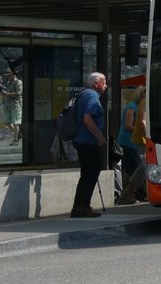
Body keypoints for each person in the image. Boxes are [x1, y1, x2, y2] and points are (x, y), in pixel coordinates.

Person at [71, 72, 108, 218]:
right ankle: (82, 206)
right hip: (87, 141)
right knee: (92, 171)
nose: (106, 85)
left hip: (81, 140)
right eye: (104, 82)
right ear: (95, 83)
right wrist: (100, 137)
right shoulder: (92, 96)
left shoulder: (83, 95)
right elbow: (87, 119)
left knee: (87, 173)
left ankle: (79, 206)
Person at [116, 86, 146, 205]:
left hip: (132, 142)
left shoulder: (137, 106)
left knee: (130, 170)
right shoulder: (131, 107)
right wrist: (140, 130)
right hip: (128, 142)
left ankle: (127, 195)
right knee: (137, 168)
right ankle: (128, 193)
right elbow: (128, 125)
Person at [2, 68, 23, 145]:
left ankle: (15, 139)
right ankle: (17, 133)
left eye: (9, 75)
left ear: (13, 75)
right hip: (9, 105)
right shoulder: (8, 83)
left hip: (16, 104)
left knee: (15, 122)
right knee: (6, 121)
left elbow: (18, 93)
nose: (7, 77)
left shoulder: (18, 82)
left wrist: (7, 94)